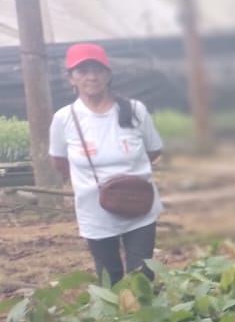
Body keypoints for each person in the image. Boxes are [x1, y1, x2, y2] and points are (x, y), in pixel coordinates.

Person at [48, 43, 165, 285]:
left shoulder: (134, 110)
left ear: (108, 75)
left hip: (139, 206)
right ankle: (116, 309)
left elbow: (154, 149)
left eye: (98, 70)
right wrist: (90, 184)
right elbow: (59, 161)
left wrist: (127, 178)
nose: (91, 77)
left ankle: (141, 308)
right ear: (70, 78)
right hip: (95, 211)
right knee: (109, 275)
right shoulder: (64, 118)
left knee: (142, 275)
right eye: (82, 71)